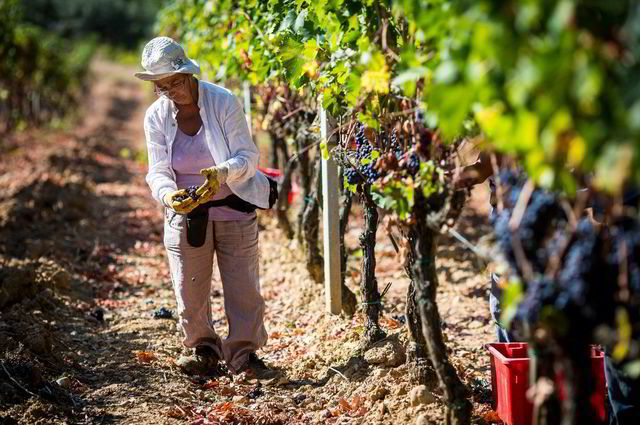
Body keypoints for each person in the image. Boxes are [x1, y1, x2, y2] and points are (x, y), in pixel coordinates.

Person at [134, 36, 277, 378]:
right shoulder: (156, 116)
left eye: (176, 82)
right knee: (189, 285)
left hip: (233, 205)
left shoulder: (222, 101)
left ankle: (245, 355)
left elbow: (248, 156)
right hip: (186, 213)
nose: (171, 91)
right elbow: (158, 169)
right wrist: (169, 196)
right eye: (162, 87)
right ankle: (203, 350)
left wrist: (222, 173)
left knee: (243, 286)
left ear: (189, 73)